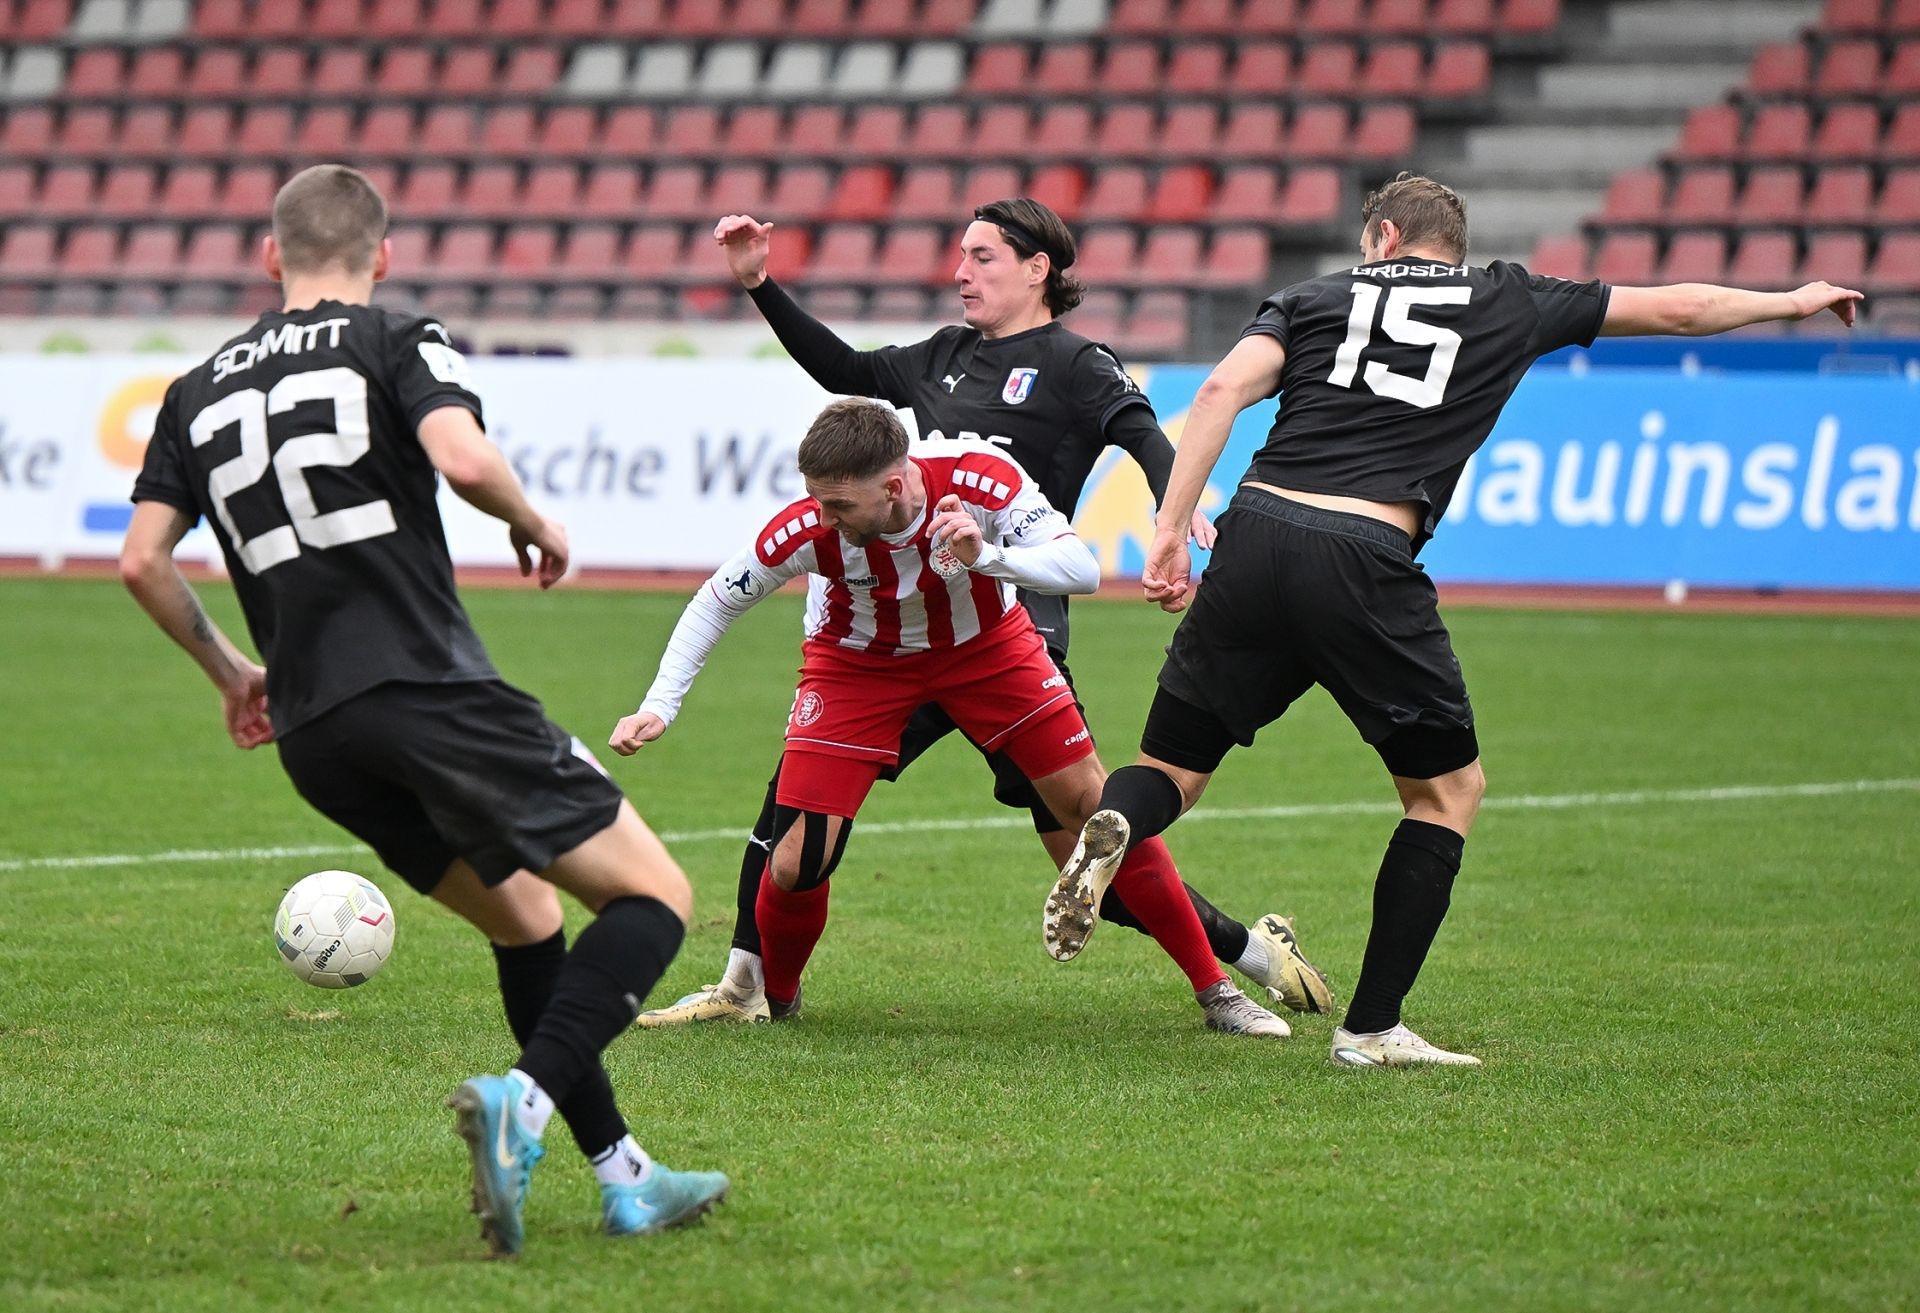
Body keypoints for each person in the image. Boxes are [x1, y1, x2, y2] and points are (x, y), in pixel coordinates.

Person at [1049, 172, 1866, 1067]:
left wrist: (1170, 528)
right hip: (1363, 553)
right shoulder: (1506, 298)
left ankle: (1117, 825)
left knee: (1169, 769)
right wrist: (1792, 300)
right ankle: (1370, 1029)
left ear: (1384, 238)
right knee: (1446, 793)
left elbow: (1216, 394)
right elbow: (1677, 308)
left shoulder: (1314, 296)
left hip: (1257, 534)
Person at [118, 164, 729, 1256]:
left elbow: (141, 562)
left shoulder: (193, 391)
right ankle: (521, 1105)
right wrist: (534, 520)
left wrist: (234, 673)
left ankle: (626, 1177)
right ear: (383, 256)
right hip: (422, 687)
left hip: (314, 731)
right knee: (655, 896)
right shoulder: (396, 337)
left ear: (271, 255)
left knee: (526, 920)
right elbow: (460, 455)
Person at [632, 198, 1330, 1029]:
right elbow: (841, 369)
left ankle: (1249, 954)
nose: (961, 272)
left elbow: (1141, 432)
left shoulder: (1076, 363)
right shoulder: (943, 355)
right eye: (961, 256)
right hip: (889, 628)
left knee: (1088, 847)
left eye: (982, 256)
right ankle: (746, 986)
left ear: (1038, 269)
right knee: (795, 816)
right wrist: (760, 285)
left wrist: (1173, 516)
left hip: (1010, 618)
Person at [610, 397, 1294, 1037]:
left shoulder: (979, 477)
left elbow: (1081, 569)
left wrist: (986, 556)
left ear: (894, 486)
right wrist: (659, 705)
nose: (824, 516)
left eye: (840, 503)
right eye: (818, 499)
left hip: (989, 653)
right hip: (857, 667)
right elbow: (717, 599)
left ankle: (1217, 990)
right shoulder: (807, 526)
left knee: (1096, 813)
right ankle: (774, 998)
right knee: (797, 859)